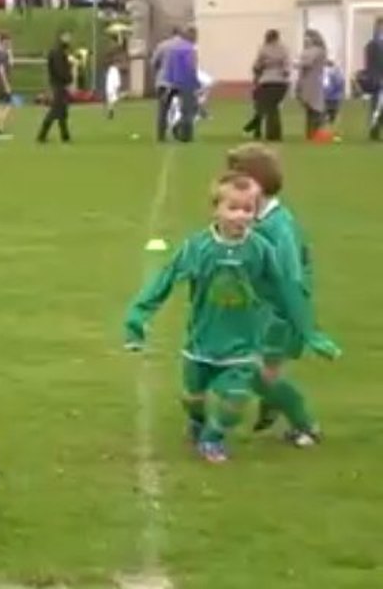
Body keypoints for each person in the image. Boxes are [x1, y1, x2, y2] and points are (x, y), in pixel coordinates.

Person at [123, 172, 335, 463]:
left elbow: (285, 291)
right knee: (192, 398)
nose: (241, 216)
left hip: (242, 346)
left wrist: (310, 332)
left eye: (248, 209)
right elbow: (165, 280)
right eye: (233, 208)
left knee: (235, 397)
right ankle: (198, 423)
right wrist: (137, 317)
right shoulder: (197, 247)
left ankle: (213, 439)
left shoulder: (261, 250)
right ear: (216, 209)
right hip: (200, 342)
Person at [225, 144, 340, 446]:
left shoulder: (279, 227)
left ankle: (306, 425)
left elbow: (290, 280)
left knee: (257, 373)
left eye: (236, 178)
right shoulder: (257, 220)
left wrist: (308, 331)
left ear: (256, 183)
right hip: (259, 310)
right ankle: (275, 403)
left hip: (279, 314)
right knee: (259, 371)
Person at [244, 30, 291, 141]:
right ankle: (274, 134)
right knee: (274, 108)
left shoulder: (263, 49)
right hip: (282, 83)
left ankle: (271, 134)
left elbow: (257, 66)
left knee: (269, 109)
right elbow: (287, 69)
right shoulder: (284, 49)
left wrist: (259, 72)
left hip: (267, 82)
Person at [163, 26, 201, 142]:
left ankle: (178, 127)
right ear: (191, 36)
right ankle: (185, 134)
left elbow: (168, 66)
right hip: (187, 82)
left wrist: (170, 80)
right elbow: (191, 67)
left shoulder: (174, 48)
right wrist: (196, 82)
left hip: (174, 82)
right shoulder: (189, 49)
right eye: (195, 36)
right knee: (189, 109)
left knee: (185, 108)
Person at [36, 31, 73, 143]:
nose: (69, 39)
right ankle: (42, 135)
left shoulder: (59, 51)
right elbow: (59, 70)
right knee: (56, 110)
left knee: (62, 111)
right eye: (67, 37)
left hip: (59, 84)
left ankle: (65, 136)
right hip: (58, 84)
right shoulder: (58, 52)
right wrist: (68, 78)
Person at [295, 30, 328, 139]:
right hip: (307, 81)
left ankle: (314, 132)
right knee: (310, 109)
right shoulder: (308, 51)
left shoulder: (317, 51)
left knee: (314, 108)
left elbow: (308, 63)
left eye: (308, 37)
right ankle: (311, 133)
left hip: (313, 81)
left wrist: (296, 64)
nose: (305, 40)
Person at [150, 28, 181, 140]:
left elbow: (154, 62)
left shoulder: (162, 46)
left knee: (163, 109)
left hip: (164, 82)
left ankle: (161, 135)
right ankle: (179, 131)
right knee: (181, 108)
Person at [0, 32, 15, 138]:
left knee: (3, 106)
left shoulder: (3, 53)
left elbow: (10, 64)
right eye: (6, 41)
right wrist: (6, 85)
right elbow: (1, 70)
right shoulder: (2, 54)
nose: (9, 43)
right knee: (6, 105)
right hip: (2, 83)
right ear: (2, 42)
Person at [363, 18, 383, 140]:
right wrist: (376, 78)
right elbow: (370, 65)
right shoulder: (372, 45)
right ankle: (374, 132)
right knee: (377, 106)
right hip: (378, 81)